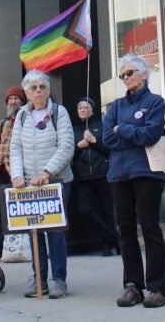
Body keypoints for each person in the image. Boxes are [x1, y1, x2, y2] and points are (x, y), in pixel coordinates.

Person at [103, 54, 165, 309]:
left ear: (143, 74)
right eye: (123, 75)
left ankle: (158, 288)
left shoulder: (155, 102)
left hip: (146, 173)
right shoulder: (115, 107)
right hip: (119, 175)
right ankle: (133, 285)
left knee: (150, 228)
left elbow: (152, 134)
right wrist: (132, 132)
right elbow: (108, 138)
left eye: (130, 73)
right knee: (126, 231)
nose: (126, 78)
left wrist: (124, 130)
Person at [9, 70, 75, 299]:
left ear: (48, 90)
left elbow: (66, 145)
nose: (38, 91)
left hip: (55, 181)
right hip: (29, 184)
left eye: (42, 87)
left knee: (54, 232)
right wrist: (17, 175)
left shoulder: (59, 112)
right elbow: (15, 148)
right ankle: (39, 278)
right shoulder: (22, 116)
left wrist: (47, 172)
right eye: (33, 87)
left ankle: (59, 280)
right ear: (26, 92)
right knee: (33, 231)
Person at [71, 96, 119, 257]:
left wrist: (94, 140)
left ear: (92, 109)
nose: (83, 110)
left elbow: (110, 148)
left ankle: (107, 245)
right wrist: (80, 145)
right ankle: (111, 235)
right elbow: (68, 153)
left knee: (107, 210)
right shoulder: (73, 130)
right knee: (85, 210)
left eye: (86, 107)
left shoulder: (101, 125)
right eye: (80, 108)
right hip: (84, 176)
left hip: (102, 173)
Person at [0, 86, 25, 259]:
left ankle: (21, 249)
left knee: (20, 211)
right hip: (2, 172)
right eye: (10, 99)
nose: (13, 102)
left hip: (20, 173)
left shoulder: (26, 120)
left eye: (16, 98)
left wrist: (15, 167)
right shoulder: (2, 122)